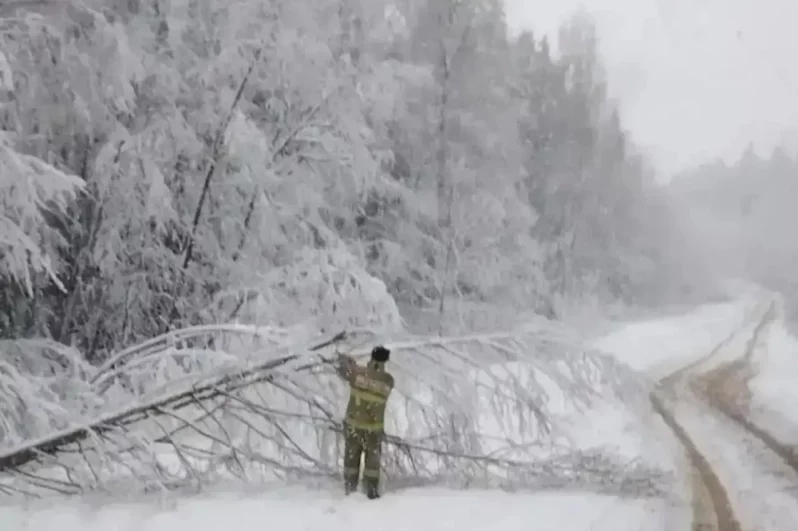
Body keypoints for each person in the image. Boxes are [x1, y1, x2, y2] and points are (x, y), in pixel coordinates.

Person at [335, 345, 394, 499]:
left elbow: (343, 370)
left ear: (371, 357)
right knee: (372, 464)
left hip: (353, 426)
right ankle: (371, 491)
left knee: (351, 461)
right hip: (373, 430)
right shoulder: (388, 381)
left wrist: (343, 358)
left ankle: (350, 489)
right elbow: (374, 381)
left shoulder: (358, 374)